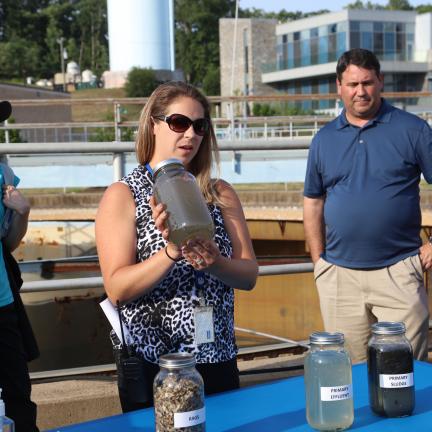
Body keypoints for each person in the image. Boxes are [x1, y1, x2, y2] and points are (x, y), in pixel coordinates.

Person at [96, 81, 258, 411]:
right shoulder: (125, 194)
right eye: (179, 123)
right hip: (156, 363)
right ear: (153, 125)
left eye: (200, 126)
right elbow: (117, 288)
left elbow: (249, 274)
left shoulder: (219, 192)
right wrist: (170, 251)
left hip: (217, 355)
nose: (191, 135)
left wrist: (216, 263)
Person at [303, 48, 432, 364]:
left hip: (398, 270)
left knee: (403, 373)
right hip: (339, 276)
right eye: (352, 84)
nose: (360, 91)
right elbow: (313, 200)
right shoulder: (323, 139)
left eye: (367, 83)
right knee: (351, 375)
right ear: (339, 87)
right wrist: (319, 261)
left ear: (380, 82)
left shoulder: (413, 130)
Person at [0, 101, 38, 431]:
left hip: (3, 304)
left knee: (18, 398)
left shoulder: (4, 175)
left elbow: (8, 243)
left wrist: (22, 212)